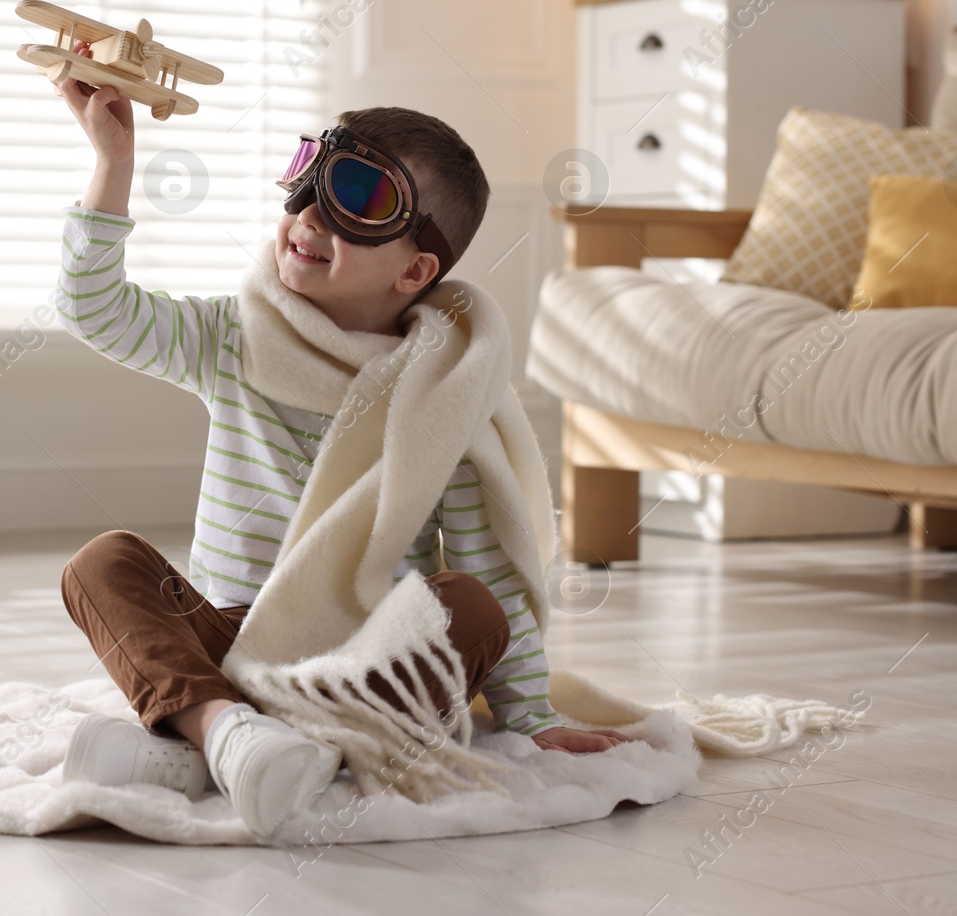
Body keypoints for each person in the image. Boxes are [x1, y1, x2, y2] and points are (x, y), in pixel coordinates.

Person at [51, 48, 635, 839]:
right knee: (102, 563)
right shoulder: (234, 337)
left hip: (361, 654)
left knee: (471, 606)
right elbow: (96, 309)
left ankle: (203, 744)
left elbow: (489, 560)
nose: (311, 215)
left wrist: (532, 716)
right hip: (230, 636)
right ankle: (228, 730)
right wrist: (112, 162)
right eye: (307, 177)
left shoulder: (442, 392)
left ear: (415, 268)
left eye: (358, 197)